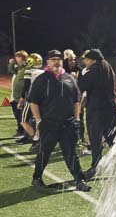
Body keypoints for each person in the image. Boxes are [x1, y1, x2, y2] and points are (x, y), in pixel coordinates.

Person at [27, 50, 90, 192]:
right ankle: (37, 178)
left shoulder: (69, 78)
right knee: (44, 152)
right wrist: (38, 121)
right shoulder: (41, 79)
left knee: (71, 152)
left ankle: (79, 179)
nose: (57, 61)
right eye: (53, 59)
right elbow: (33, 102)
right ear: (47, 62)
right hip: (49, 123)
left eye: (59, 59)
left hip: (68, 123)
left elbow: (76, 100)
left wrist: (77, 119)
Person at [77, 49, 116, 179]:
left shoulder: (94, 70)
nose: (85, 62)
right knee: (112, 139)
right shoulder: (108, 67)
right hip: (111, 108)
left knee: (95, 139)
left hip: (97, 110)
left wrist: (77, 77)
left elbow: (81, 86)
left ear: (92, 60)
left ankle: (96, 167)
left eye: (86, 60)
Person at [20, 53, 45, 153]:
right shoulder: (43, 72)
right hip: (43, 100)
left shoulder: (29, 71)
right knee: (39, 120)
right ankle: (39, 139)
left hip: (32, 100)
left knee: (22, 119)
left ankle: (36, 139)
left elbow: (26, 86)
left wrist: (22, 98)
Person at [9, 50, 29, 141]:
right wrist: (11, 64)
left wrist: (22, 96)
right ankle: (21, 131)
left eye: (17, 57)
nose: (15, 58)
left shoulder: (26, 68)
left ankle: (25, 133)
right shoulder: (19, 67)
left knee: (21, 116)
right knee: (18, 115)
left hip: (21, 97)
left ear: (21, 57)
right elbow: (11, 70)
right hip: (15, 96)